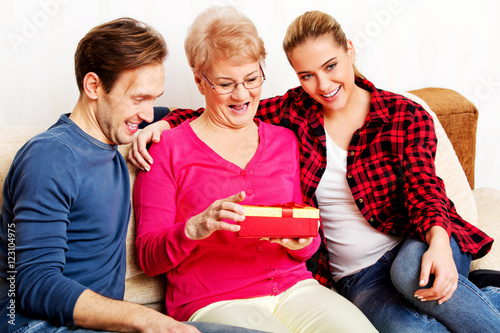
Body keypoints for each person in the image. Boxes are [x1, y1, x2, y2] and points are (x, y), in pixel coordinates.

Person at [129, 9, 500, 333]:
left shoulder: (390, 117)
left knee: (405, 277)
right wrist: (164, 125)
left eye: (252, 80)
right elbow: (224, 114)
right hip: (312, 282)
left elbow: (423, 189)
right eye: (306, 75)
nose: (322, 85)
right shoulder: (285, 116)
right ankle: (486, 294)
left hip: (393, 250)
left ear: (350, 51)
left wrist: (437, 242)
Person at [0, 17, 266, 333]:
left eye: (153, 99)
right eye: (139, 99)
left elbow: (203, 115)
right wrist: (145, 319)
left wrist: (164, 123)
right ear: (94, 86)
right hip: (39, 325)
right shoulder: (52, 156)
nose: (146, 114)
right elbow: (35, 285)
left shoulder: (113, 136)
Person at [133, 6, 376, 333]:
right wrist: (194, 228)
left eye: (252, 79)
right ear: (199, 81)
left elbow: (309, 238)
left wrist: (297, 241)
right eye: (225, 84)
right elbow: (149, 258)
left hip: (295, 289)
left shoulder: (284, 140)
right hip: (215, 301)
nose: (242, 95)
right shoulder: (166, 149)